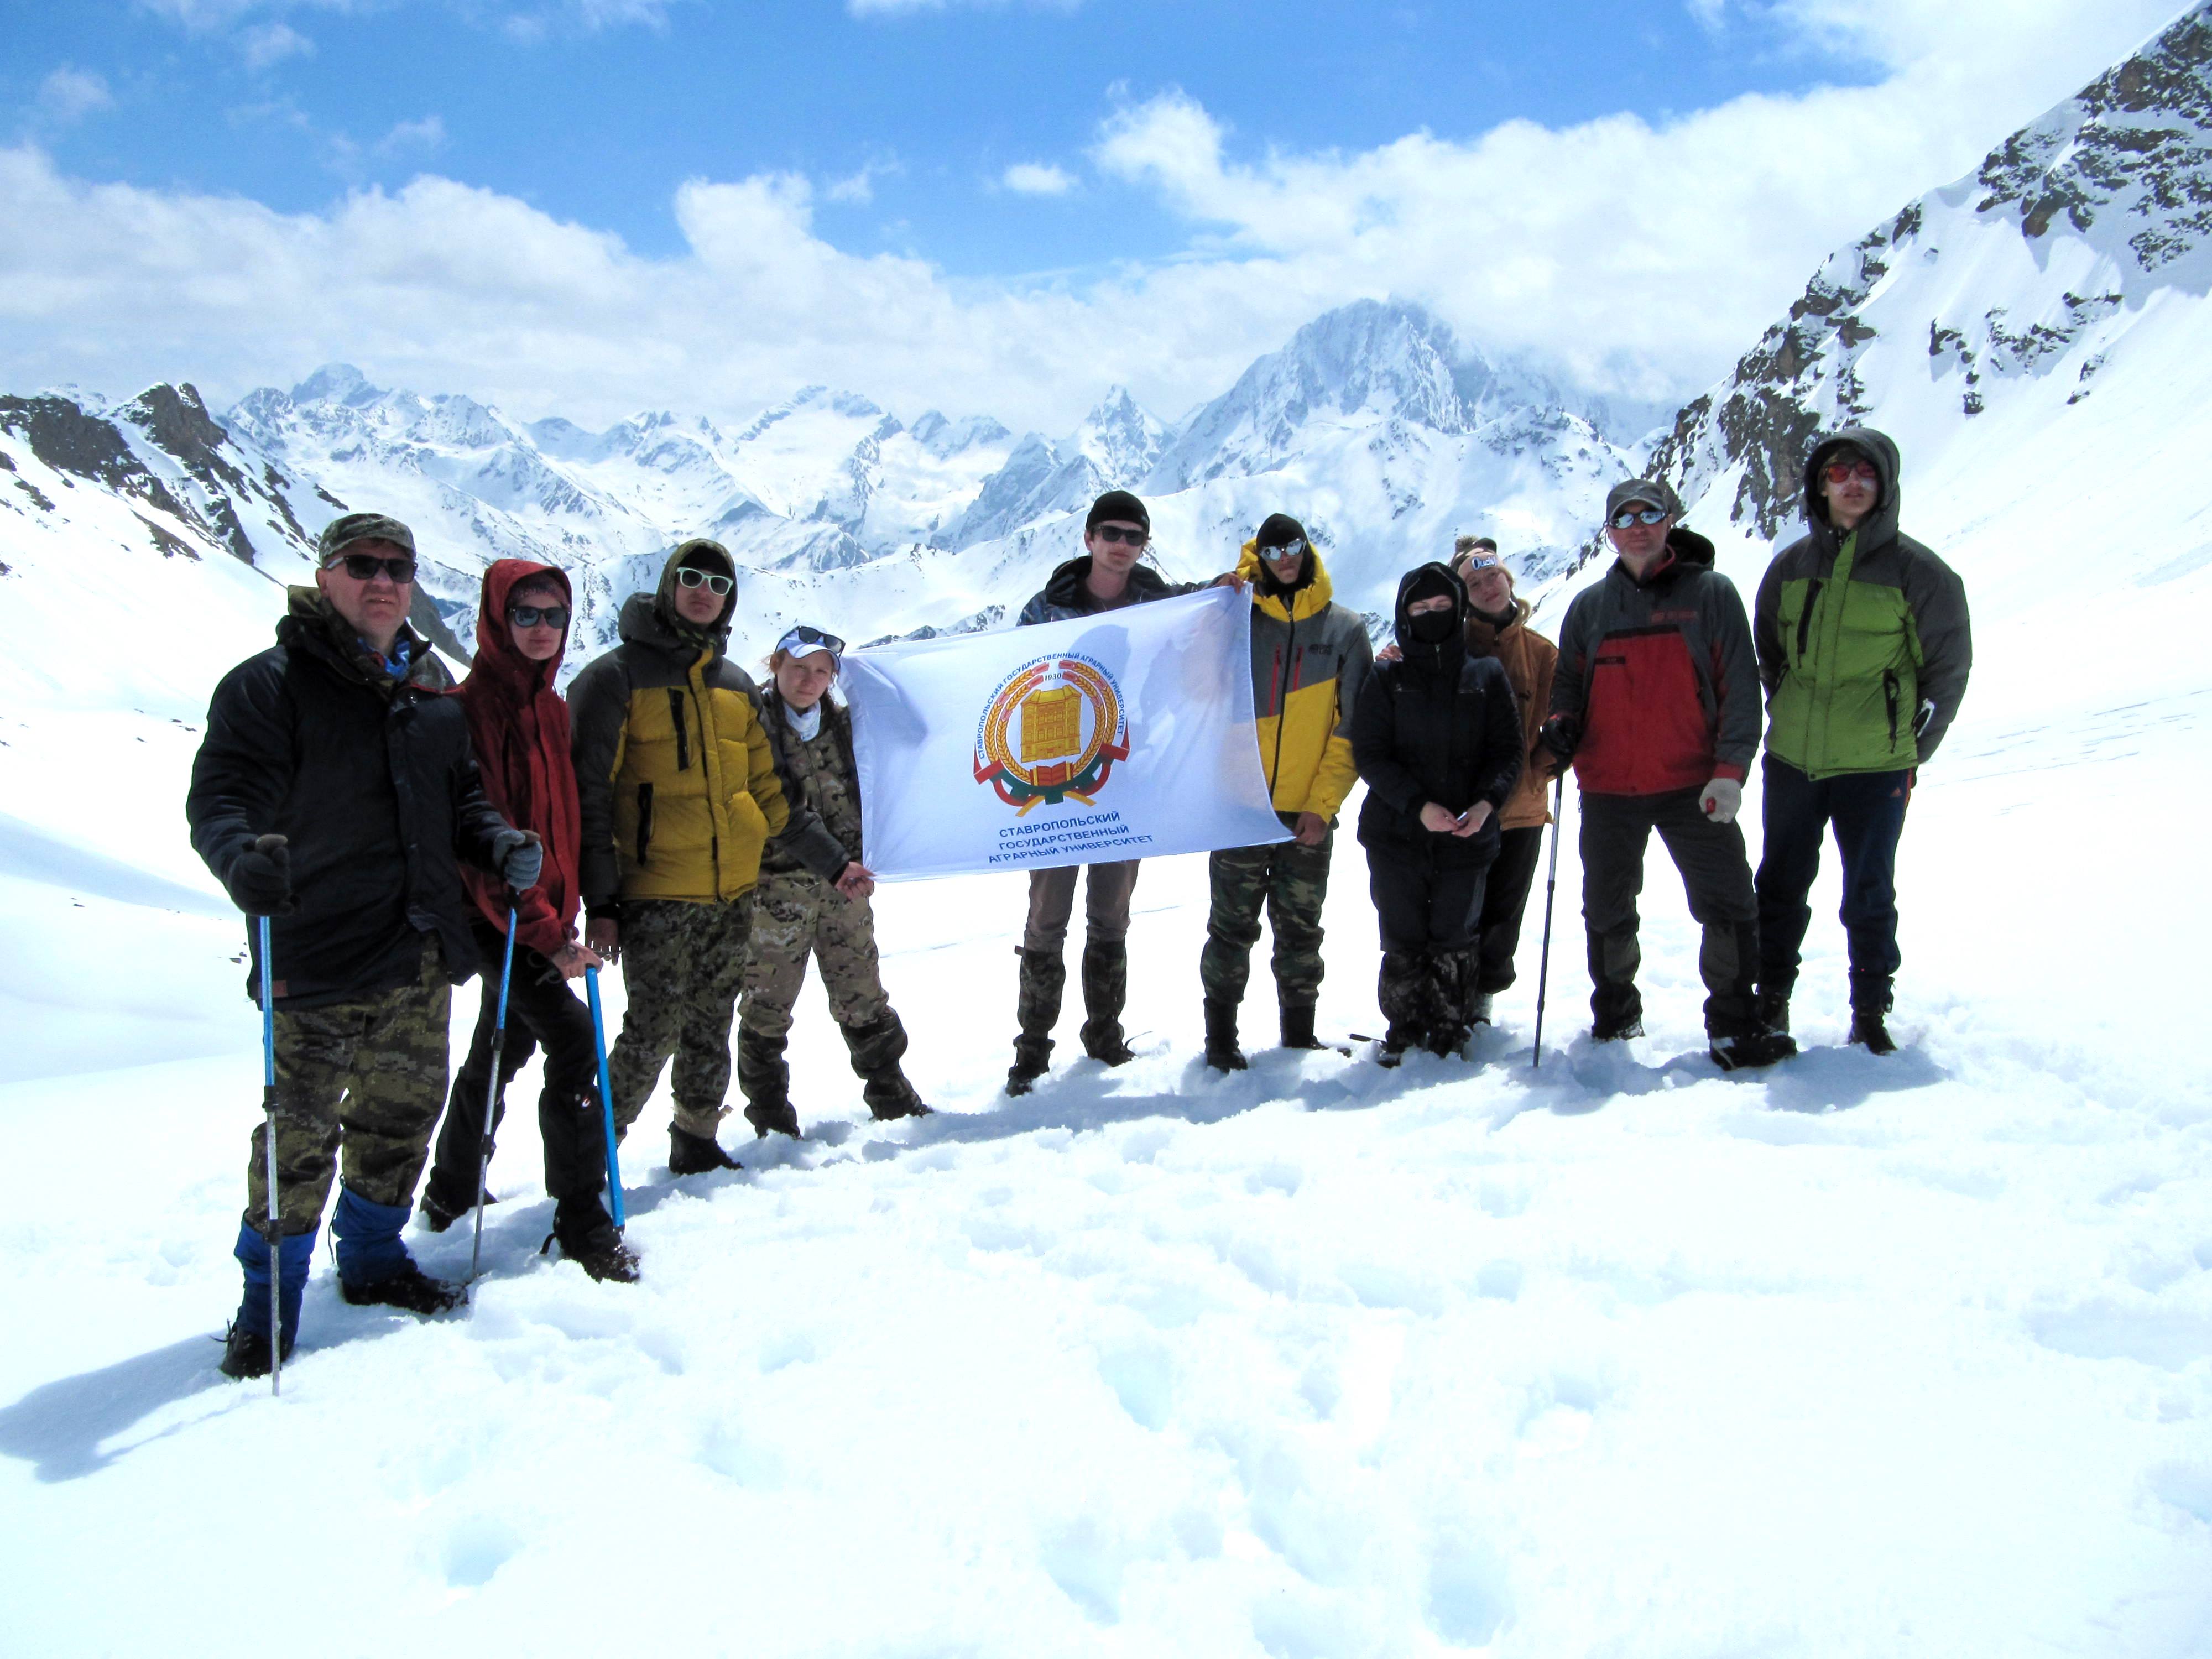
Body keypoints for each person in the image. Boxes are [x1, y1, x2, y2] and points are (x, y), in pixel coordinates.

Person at [188, 512, 539, 1379]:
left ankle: (375, 1262)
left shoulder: (427, 687)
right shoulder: (268, 687)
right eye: (363, 565)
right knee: (297, 1140)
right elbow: (221, 801)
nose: (383, 582)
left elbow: (460, 800)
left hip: (416, 951)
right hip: (314, 951)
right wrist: (241, 861)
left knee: (399, 1119)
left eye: (399, 568)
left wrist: (496, 841)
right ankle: (266, 1304)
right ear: (326, 574)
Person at [569, 540, 865, 1174]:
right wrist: (601, 903)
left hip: (732, 892)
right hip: (654, 893)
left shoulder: (733, 686)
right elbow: (586, 801)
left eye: (719, 583)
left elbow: (772, 796)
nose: (705, 591)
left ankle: (697, 1139)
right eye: (693, 578)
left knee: (708, 1022)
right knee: (651, 1030)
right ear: (670, 584)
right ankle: (588, 1163)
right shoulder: (612, 679)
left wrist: (834, 863)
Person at [414, 560, 637, 1283]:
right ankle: (581, 1219)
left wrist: (568, 913)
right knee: (572, 1041)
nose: (543, 630)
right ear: (495, 620)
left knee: (501, 1044)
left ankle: (448, 1189)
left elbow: (560, 820)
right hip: (496, 920)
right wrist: (547, 937)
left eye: (555, 617)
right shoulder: (466, 710)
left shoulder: (551, 707)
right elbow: (487, 845)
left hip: (539, 918)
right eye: (526, 615)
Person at [1542, 480, 1793, 1068]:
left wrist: (1729, 771)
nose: (1636, 527)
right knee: (1606, 907)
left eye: (1648, 514)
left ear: (1669, 521)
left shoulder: (1709, 594)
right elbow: (1569, 686)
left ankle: (1733, 1021)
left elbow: (1738, 691)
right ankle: (1615, 1014)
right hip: (1607, 786)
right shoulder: (1588, 607)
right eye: (1622, 518)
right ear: (1608, 532)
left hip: (1694, 784)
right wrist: (1560, 722)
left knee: (1726, 902)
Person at [1751, 429, 1971, 1053]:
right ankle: (1771, 1001)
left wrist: (1908, 746)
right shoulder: (1791, 567)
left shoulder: (1920, 573)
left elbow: (1947, 670)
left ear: (1884, 486)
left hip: (1876, 767)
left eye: (1864, 473)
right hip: (1793, 758)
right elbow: (1770, 654)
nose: (1851, 482)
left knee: (1869, 889)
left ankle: (1869, 1010)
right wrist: (1789, 709)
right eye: (1838, 472)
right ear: (1820, 486)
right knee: (1780, 883)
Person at [1005, 489, 1212, 1095]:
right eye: (1112, 533)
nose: (1122, 545)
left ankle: (1103, 1034)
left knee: (1110, 915)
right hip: (1055, 785)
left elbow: (1204, 630)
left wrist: (1228, 591)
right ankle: (1032, 1050)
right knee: (1045, 918)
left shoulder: (1160, 605)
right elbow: (1008, 678)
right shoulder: (1045, 610)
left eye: (1134, 536)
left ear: (1145, 545)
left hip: (1128, 781)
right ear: (1089, 538)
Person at [736, 624, 932, 1135]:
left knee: (862, 993)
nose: (809, 679)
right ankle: (770, 1118)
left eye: (822, 671)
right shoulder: (752, 726)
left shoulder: (846, 725)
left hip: (845, 887)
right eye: (799, 667)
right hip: (775, 890)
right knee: (766, 1006)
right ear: (775, 664)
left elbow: (914, 740)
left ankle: (890, 1093)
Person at [1198, 513, 1374, 1068]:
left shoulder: (1344, 629)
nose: (1285, 557)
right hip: (1239, 810)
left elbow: (1352, 729)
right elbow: (1188, 683)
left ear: (1307, 548)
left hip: (1306, 814)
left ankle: (1298, 1037)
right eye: (1273, 549)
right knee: (1229, 930)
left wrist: (1322, 808)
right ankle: (1220, 1041)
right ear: (1260, 553)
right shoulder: (1235, 620)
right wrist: (1211, 606)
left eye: (1294, 545)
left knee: (1300, 930)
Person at [1351, 563, 1524, 1063]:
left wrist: (1488, 803)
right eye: (1420, 609)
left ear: (1459, 609)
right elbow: (1371, 753)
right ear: (1404, 616)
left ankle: (1450, 1028)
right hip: (1396, 835)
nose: (1431, 615)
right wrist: (1417, 806)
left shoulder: (1485, 675)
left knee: (1455, 934)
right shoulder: (1388, 677)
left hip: (1467, 836)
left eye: (1442, 606)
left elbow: (1508, 751)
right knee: (1402, 933)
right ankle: (1405, 1029)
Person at [1452, 536, 1558, 1024]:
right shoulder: (1451, 648)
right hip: (1462, 807)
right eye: (1474, 582)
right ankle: (1451, 992)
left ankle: (1482, 1000)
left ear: (1507, 579)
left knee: (1503, 915)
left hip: (1521, 812)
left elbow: (1567, 724)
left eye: (1492, 576)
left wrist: (1540, 770)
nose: (1488, 586)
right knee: (1458, 909)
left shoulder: (1541, 654)